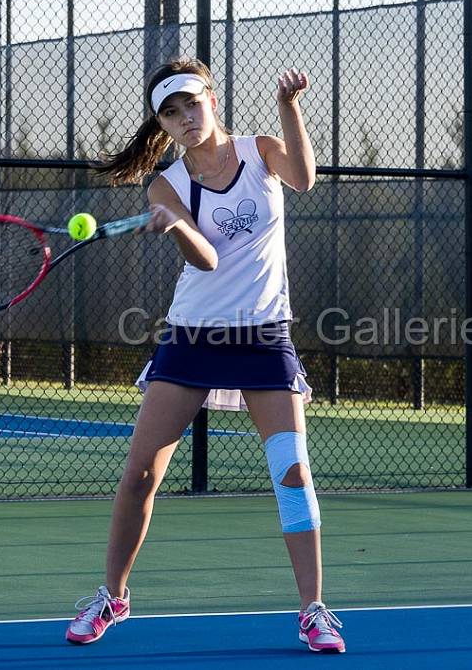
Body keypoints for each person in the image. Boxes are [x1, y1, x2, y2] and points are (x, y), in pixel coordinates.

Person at [64, 56, 345, 654]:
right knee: (140, 474)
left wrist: (290, 104)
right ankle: (112, 596)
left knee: (292, 474)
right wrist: (174, 227)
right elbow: (207, 259)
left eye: (192, 103)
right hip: (193, 336)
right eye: (171, 112)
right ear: (162, 124)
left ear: (212, 99)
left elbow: (304, 178)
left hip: (265, 337)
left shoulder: (260, 151)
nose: (186, 118)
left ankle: (313, 609)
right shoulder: (166, 183)